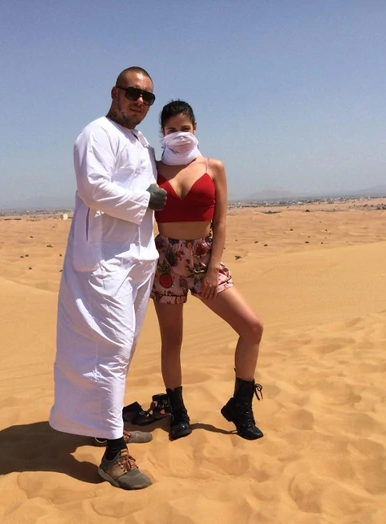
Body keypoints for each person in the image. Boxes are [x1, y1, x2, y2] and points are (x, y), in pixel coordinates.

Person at [49, 67, 168, 490]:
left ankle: (106, 422)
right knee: (111, 346)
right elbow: (92, 187)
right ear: (115, 93)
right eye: (133, 93)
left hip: (137, 257)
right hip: (103, 260)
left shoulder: (141, 142)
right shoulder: (95, 134)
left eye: (148, 97)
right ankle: (113, 455)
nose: (140, 101)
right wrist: (144, 199)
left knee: (125, 345)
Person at [151, 100, 264, 441]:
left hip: (204, 258)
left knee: (252, 327)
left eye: (184, 128)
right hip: (166, 260)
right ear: (162, 133)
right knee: (172, 340)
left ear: (195, 128)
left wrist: (213, 267)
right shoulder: (152, 168)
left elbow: (222, 222)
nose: (179, 135)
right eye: (171, 130)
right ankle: (178, 411)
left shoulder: (214, 167)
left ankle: (240, 406)